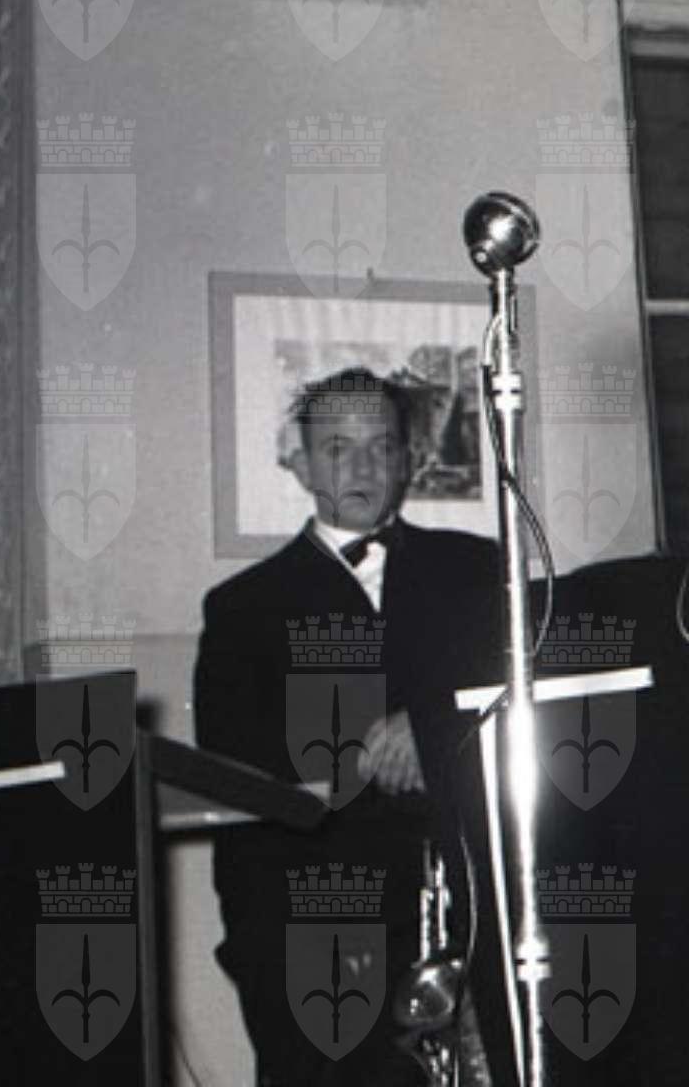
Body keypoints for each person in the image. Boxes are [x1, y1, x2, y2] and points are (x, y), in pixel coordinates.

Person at [194, 367, 501, 1086]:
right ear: (299, 464)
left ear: (408, 459)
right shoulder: (242, 608)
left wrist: (434, 731)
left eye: (381, 446)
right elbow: (239, 787)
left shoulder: (477, 570)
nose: (363, 468)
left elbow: (525, 700)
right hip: (317, 939)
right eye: (338, 448)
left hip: (468, 918)